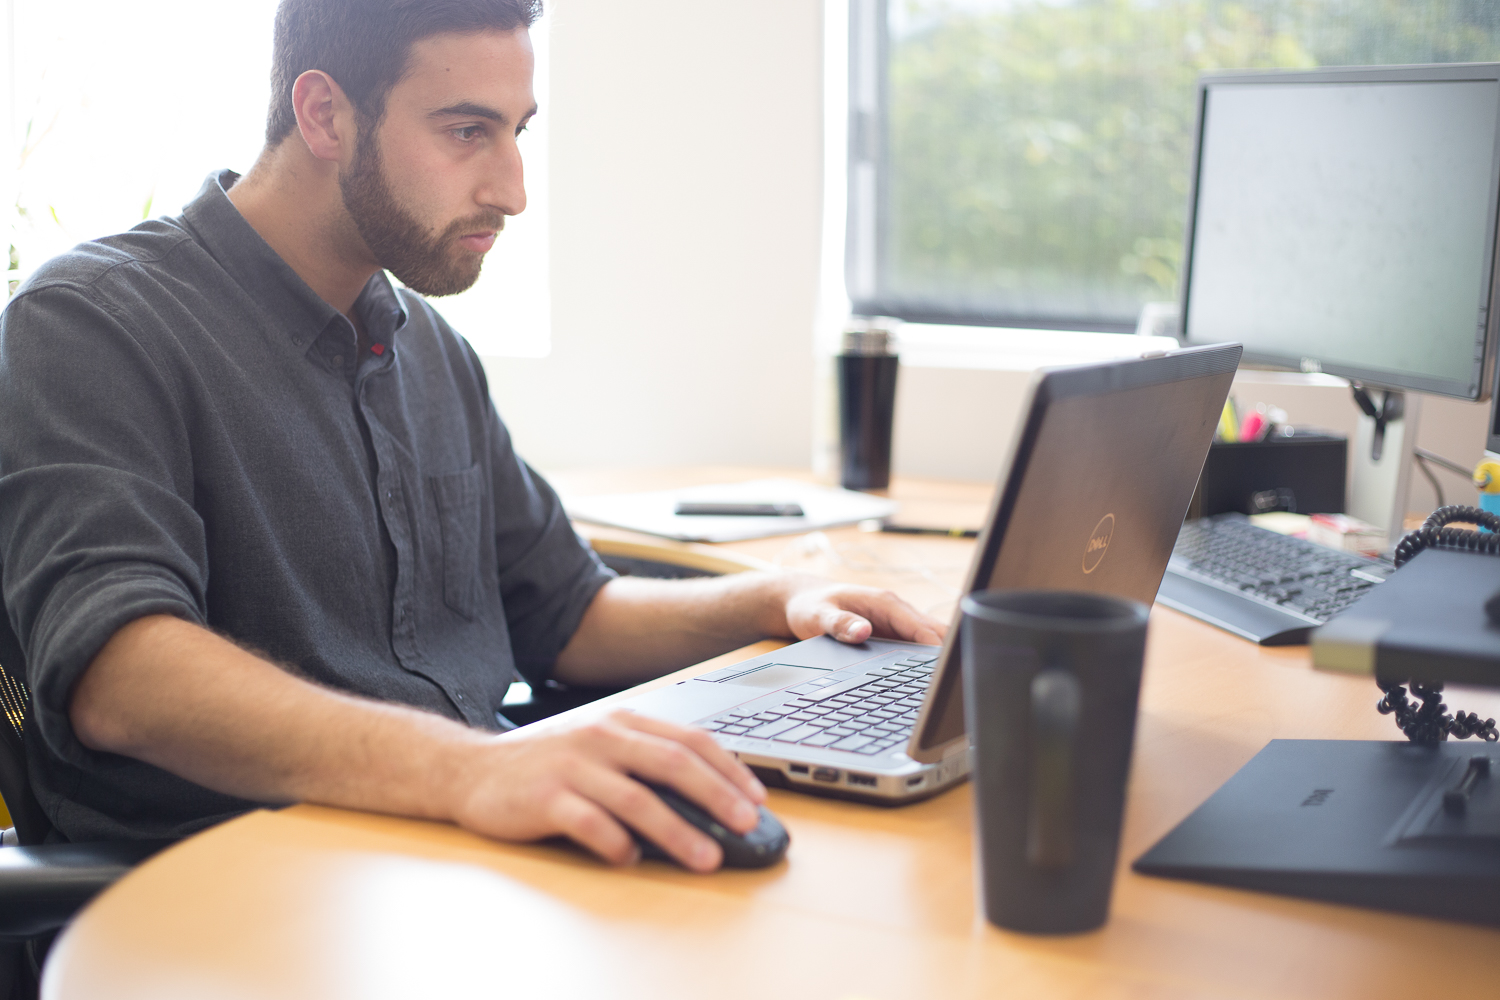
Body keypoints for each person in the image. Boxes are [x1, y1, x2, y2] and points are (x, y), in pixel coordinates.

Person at [0, 0, 944, 873]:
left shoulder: (431, 350)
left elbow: (568, 613)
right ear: (324, 116)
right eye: (466, 131)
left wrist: (778, 600)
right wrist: (469, 771)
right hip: (239, 896)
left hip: (451, 853)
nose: (514, 189)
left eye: (518, 131)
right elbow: (121, 675)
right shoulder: (92, 324)